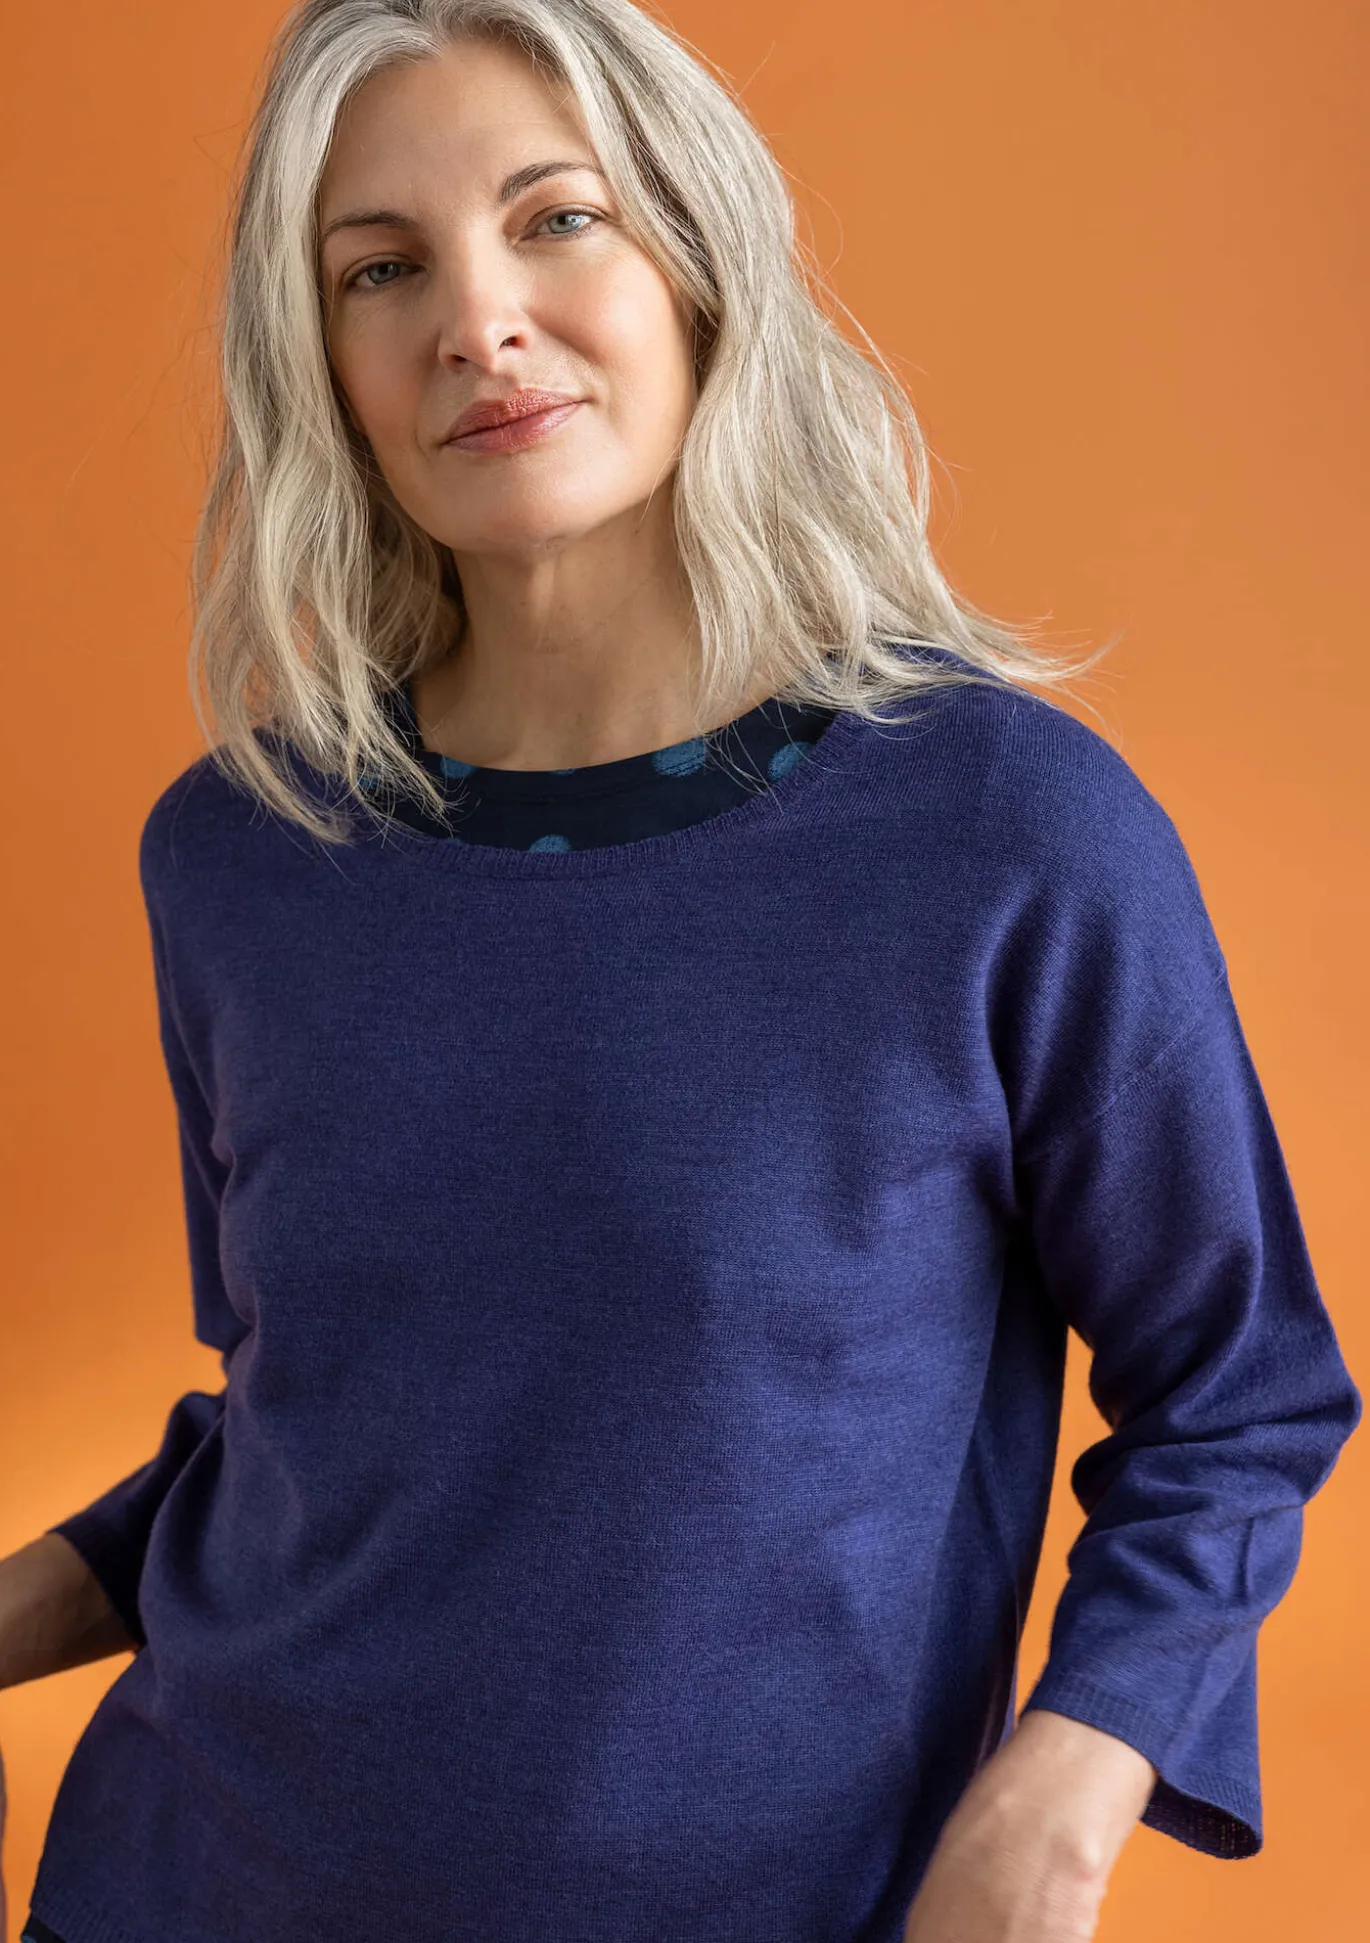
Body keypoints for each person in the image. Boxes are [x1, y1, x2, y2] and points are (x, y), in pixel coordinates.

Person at [1, 2, 1360, 1940]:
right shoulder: (239, 855)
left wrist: (1057, 1797)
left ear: (698, 266)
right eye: (380, 270)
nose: (476, 321)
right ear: (323, 366)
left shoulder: (1001, 829)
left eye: (555, 219)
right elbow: (336, 1419)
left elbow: (1236, 1395)